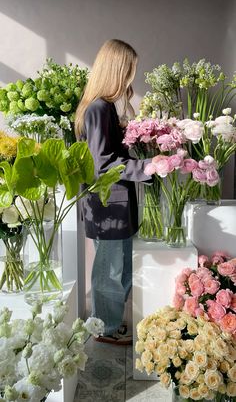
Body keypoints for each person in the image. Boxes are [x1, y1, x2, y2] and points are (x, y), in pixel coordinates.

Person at [75, 39, 152, 345]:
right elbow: (102, 164)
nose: (132, 75)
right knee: (109, 272)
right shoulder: (98, 109)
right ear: (117, 69)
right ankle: (106, 329)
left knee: (118, 269)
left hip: (116, 207)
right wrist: (147, 167)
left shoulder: (103, 108)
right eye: (130, 68)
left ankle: (112, 323)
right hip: (108, 208)